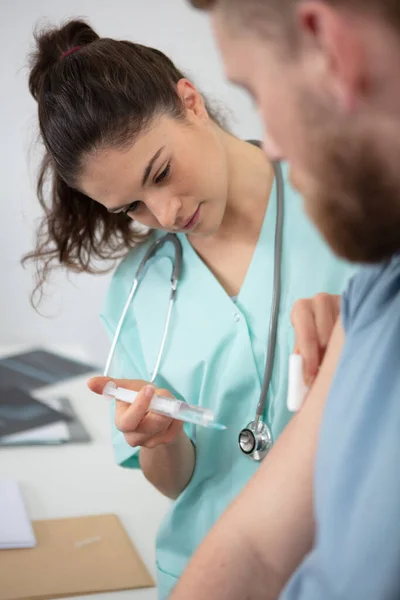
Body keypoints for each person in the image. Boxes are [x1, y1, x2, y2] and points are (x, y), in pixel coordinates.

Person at [26, 18, 353, 599]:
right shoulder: (138, 289)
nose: (167, 213)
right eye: (132, 205)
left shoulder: (349, 208)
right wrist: (161, 441)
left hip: (350, 566)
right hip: (208, 576)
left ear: (190, 101)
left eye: (161, 172)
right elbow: (179, 486)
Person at [169, 1, 400, 599]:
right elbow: (252, 550)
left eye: (253, 91)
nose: (269, 145)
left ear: (327, 46)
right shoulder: (376, 288)